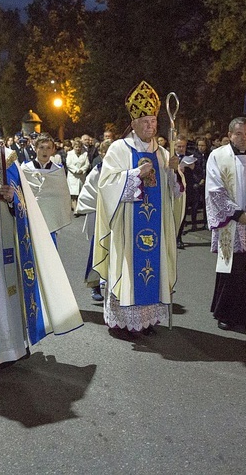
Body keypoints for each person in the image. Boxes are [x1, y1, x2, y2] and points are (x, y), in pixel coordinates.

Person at [0, 113, 82, 369]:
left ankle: (11, 347)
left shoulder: (8, 159)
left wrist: (13, 197)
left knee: (7, 292)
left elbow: (25, 204)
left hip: (4, 240)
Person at [93, 80, 185, 339]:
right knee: (129, 270)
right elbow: (107, 185)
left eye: (154, 121)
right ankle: (123, 322)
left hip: (156, 226)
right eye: (145, 121)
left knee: (153, 268)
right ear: (133, 123)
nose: (151, 126)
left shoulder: (163, 152)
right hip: (127, 227)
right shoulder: (118, 149)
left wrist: (173, 173)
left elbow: (174, 193)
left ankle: (146, 319)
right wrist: (133, 174)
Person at [206, 118, 246, 331]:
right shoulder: (218, 156)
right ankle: (225, 313)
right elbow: (214, 190)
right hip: (232, 223)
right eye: (239, 134)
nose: (244, 138)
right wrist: (238, 214)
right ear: (229, 134)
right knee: (231, 270)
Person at [76, 140, 112, 302]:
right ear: (102, 154)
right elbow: (87, 194)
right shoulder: (97, 171)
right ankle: (95, 284)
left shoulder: (122, 170)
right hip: (100, 216)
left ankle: (114, 285)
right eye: (106, 152)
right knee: (97, 251)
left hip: (117, 217)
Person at [21, 133, 72, 245]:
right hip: (31, 217)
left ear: (53, 150)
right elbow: (21, 193)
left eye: (48, 148)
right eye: (41, 148)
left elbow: (63, 196)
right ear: (35, 148)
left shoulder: (57, 170)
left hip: (50, 217)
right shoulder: (25, 168)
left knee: (50, 250)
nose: (45, 151)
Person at [174, 137, 194, 248]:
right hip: (172, 190)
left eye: (183, 146)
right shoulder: (169, 156)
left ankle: (178, 238)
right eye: (179, 146)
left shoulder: (191, 157)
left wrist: (192, 168)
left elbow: (200, 171)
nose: (181, 149)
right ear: (175, 146)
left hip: (186, 191)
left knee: (182, 214)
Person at [189, 138, 210, 231]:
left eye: (203, 145)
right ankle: (194, 223)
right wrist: (198, 180)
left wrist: (205, 179)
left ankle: (206, 222)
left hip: (207, 182)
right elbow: (193, 170)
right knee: (195, 204)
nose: (201, 147)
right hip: (196, 182)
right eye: (199, 145)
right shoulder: (194, 155)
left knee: (206, 204)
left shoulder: (209, 155)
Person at [66, 136, 90, 210]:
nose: (78, 149)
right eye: (76, 147)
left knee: (80, 193)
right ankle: (75, 209)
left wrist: (82, 170)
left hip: (81, 176)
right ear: (73, 147)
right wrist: (76, 170)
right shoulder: (70, 154)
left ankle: (80, 207)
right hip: (73, 176)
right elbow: (68, 164)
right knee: (73, 194)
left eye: (79, 147)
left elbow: (87, 164)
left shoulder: (85, 154)